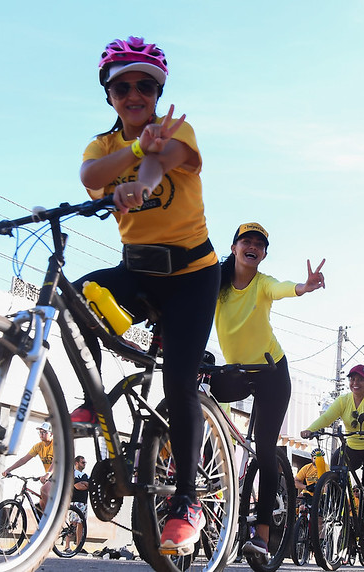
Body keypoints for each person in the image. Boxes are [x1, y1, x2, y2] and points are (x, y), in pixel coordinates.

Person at [69, 36, 219, 555]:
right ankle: (96, 400)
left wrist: (142, 181)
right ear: (109, 94)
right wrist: (133, 152)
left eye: (145, 85)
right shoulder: (104, 145)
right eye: (122, 86)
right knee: (75, 296)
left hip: (194, 277)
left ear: (159, 90)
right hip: (138, 271)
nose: (134, 93)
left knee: (179, 377)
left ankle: (187, 502)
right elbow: (90, 176)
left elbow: (162, 162)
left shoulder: (181, 130)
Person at [208, 222, 324, 559]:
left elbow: (283, 287)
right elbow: (193, 305)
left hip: (272, 372)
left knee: (264, 448)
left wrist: (304, 286)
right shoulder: (217, 280)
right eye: (247, 240)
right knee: (198, 395)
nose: (253, 246)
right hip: (237, 372)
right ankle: (206, 478)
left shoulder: (262, 284)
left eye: (259, 244)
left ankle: (260, 536)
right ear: (234, 247)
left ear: (263, 254)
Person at [300, 364, 364, 548]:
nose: (355, 383)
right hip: (353, 449)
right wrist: (311, 429)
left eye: (360, 379)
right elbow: (327, 417)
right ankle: (336, 506)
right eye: (352, 379)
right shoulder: (344, 400)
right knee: (335, 463)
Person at [3, 422, 55, 510]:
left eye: (44, 432)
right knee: (42, 502)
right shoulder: (38, 446)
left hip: (62, 475)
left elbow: (56, 462)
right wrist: (9, 469)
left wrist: (47, 474)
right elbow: (24, 459)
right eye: (40, 432)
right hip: (50, 476)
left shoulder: (56, 444)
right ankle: (47, 520)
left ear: (51, 434)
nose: (41, 434)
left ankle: (53, 517)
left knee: (44, 490)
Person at [66, 455, 89, 552]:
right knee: (73, 524)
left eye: (85, 462)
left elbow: (89, 485)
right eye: (82, 462)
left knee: (81, 524)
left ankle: (79, 546)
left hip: (84, 502)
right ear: (76, 463)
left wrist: (84, 484)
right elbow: (78, 486)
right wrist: (84, 484)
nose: (84, 464)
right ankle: (67, 546)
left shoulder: (85, 475)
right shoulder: (73, 474)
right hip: (75, 502)